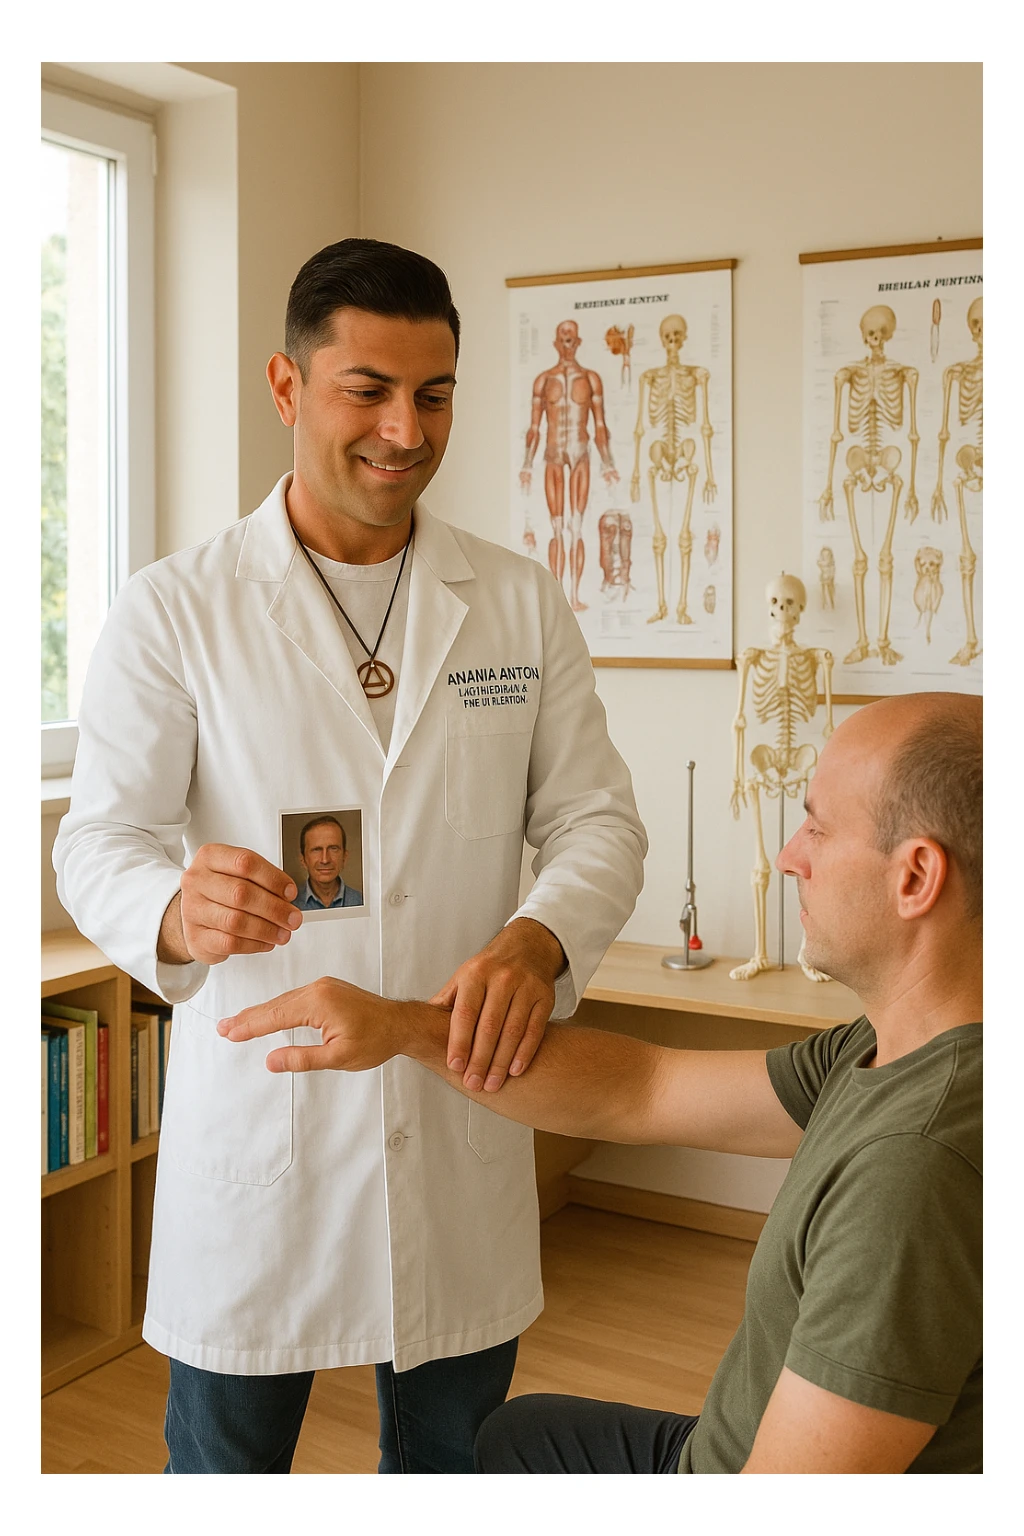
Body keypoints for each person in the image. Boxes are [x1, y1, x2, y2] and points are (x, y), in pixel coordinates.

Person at [53, 237, 647, 1475]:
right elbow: (100, 839)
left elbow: (597, 819)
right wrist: (175, 908)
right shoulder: (177, 608)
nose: (403, 430)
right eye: (365, 390)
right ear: (287, 386)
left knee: (450, 1472)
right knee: (224, 1477)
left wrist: (538, 941)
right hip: (265, 1127)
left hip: (456, 1097)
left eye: (432, 395)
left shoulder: (518, 601)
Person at [217, 691, 982, 1475]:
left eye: (817, 827)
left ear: (916, 876)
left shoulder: (914, 1174)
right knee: (514, 1436)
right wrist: (403, 1028)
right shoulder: (887, 1050)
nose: (789, 855)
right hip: (727, 1440)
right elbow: (641, 1087)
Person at [292, 815, 362, 909]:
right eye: (317, 850)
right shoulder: (291, 904)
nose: (325, 860)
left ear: (344, 857)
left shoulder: (361, 901)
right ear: (303, 860)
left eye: (333, 849)